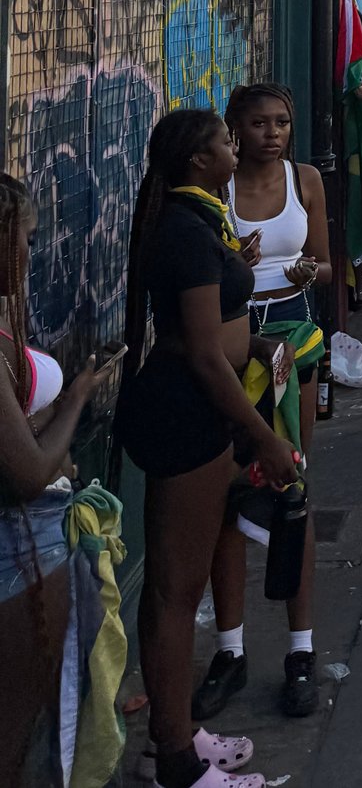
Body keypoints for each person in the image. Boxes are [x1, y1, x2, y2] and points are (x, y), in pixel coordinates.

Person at [116, 112, 300, 788]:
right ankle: (176, 762)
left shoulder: (200, 226)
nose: (236, 147)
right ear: (200, 160)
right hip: (186, 413)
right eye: (226, 139)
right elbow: (199, 349)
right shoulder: (188, 233)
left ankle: (174, 733)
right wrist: (263, 437)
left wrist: (257, 345)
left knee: (175, 582)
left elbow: (217, 331)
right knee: (175, 589)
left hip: (200, 412)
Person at [201, 85, 331, 721]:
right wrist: (235, 265)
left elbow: (327, 265)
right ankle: (230, 649)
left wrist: (310, 273)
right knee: (225, 495)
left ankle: (301, 650)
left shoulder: (304, 179)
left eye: (281, 121)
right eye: (258, 123)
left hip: (293, 337)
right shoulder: (215, 191)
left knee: (292, 489)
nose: (272, 133)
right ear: (234, 129)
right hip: (231, 341)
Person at [1, 175, 125, 788]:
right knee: (23, 736)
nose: (29, 254)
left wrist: (58, 406)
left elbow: (15, 434)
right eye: (23, 240)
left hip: (28, 547)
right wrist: (75, 401)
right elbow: (25, 471)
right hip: (19, 553)